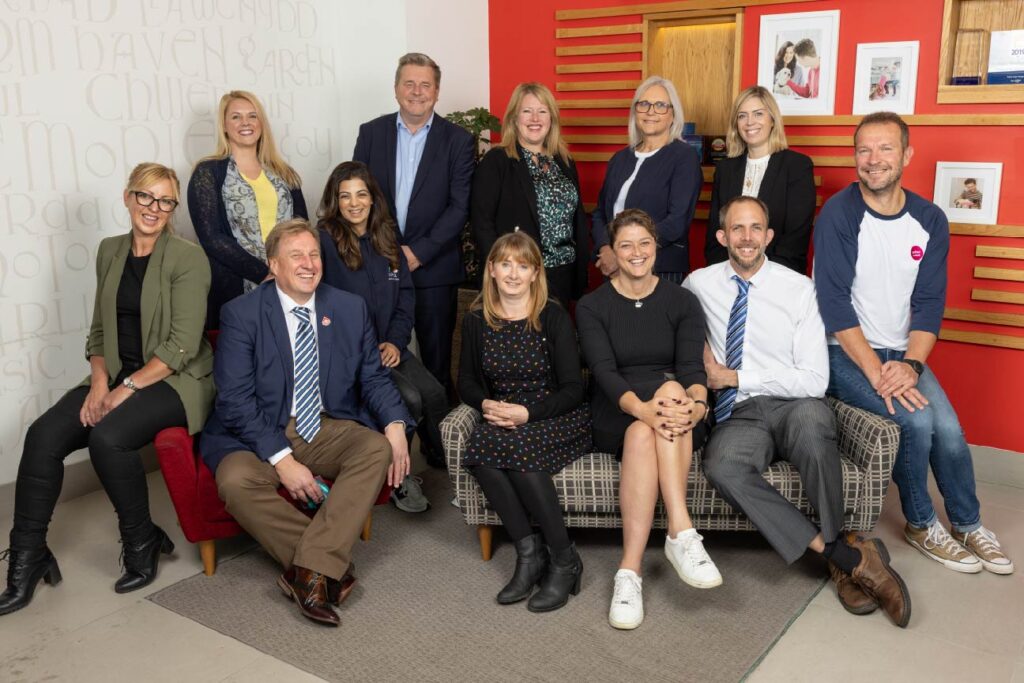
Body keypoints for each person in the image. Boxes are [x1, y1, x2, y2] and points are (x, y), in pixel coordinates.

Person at [685, 195, 912, 628]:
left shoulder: (800, 290)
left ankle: (841, 557)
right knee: (722, 465)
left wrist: (735, 376)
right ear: (721, 237)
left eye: (756, 228)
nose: (747, 238)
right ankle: (844, 556)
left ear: (769, 236)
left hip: (795, 405)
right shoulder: (698, 284)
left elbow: (812, 380)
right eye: (737, 229)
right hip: (742, 416)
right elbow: (676, 329)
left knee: (811, 428)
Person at [0, 163, 215, 615]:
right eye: (145, 196)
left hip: (174, 379)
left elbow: (181, 345)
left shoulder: (187, 258)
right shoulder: (109, 251)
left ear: (172, 208)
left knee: (108, 437)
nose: (153, 208)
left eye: (164, 201)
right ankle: (28, 558)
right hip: (115, 373)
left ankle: (142, 541)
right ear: (127, 197)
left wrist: (125, 391)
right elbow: (99, 330)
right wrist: (100, 381)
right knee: (41, 437)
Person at [814, 111, 1013, 577]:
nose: (873, 159)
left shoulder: (929, 219)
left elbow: (927, 306)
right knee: (917, 421)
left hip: (902, 353)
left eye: (885, 148)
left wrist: (910, 366)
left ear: (906, 155)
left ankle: (967, 523)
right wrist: (877, 372)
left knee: (949, 430)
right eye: (863, 149)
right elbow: (834, 305)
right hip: (845, 349)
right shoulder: (840, 215)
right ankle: (922, 523)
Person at [200, 219, 414, 626]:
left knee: (375, 447)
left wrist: (395, 424)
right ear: (274, 265)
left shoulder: (348, 308)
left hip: (321, 424)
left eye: (313, 254)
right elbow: (235, 401)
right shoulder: (242, 314)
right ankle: (326, 569)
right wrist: (282, 460)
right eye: (296, 255)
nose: (308, 263)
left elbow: (372, 376)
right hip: (254, 431)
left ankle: (307, 571)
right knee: (234, 481)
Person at [576, 208, 719, 631]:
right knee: (646, 420)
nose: (636, 253)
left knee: (670, 395)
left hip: (672, 409)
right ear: (613, 252)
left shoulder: (682, 301)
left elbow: (692, 370)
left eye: (644, 243)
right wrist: (641, 409)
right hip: (617, 405)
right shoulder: (592, 305)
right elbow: (603, 372)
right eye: (626, 245)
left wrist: (697, 404)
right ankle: (681, 533)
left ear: (657, 247)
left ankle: (629, 572)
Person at [458, 232, 591, 612]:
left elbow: (572, 388)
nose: (513, 273)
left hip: (555, 414)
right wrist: (485, 403)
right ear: (492, 270)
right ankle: (529, 554)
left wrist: (528, 414)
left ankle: (565, 559)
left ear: (535, 272)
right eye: (505, 264)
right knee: (480, 448)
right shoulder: (476, 319)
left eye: (523, 265)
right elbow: (465, 381)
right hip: (504, 414)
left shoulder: (552, 315)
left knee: (517, 447)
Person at [316, 160, 446, 513]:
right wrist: (368, 346)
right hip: (353, 353)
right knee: (409, 400)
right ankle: (397, 478)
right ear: (336, 200)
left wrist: (394, 340)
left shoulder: (388, 235)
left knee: (434, 394)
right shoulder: (325, 240)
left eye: (361, 194)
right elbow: (321, 304)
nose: (354, 203)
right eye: (345, 196)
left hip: (390, 345)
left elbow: (405, 295)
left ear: (373, 198)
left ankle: (442, 466)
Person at [353, 53, 476, 396]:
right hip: (379, 266)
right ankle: (390, 441)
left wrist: (417, 252)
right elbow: (358, 196)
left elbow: (459, 207)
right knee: (377, 357)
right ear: (396, 89)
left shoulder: (458, 141)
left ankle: (438, 447)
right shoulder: (371, 133)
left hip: (434, 270)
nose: (417, 91)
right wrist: (388, 251)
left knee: (436, 364)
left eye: (425, 85)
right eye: (409, 83)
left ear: (437, 92)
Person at [188, 90, 308, 330]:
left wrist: (288, 273)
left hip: (289, 285)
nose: (245, 123)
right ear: (223, 125)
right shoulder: (208, 172)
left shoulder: (284, 173)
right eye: (236, 117)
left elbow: (302, 227)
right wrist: (265, 274)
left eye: (252, 116)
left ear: (261, 123)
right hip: (235, 289)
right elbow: (211, 238)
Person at [471, 82, 590, 307]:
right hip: (517, 277)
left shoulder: (564, 160)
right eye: (527, 111)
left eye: (542, 111)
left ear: (551, 119)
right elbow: (482, 224)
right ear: (514, 119)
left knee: (555, 340)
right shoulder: (497, 161)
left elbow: (577, 218)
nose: (535, 118)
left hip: (563, 274)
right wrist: (503, 272)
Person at [591, 76, 702, 284]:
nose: (651, 112)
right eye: (644, 104)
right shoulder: (619, 158)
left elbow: (677, 221)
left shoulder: (684, 157)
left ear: (672, 115)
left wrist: (626, 253)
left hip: (660, 269)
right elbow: (600, 214)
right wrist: (605, 248)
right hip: (614, 269)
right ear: (635, 112)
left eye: (660, 105)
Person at [705, 86, 816, 274]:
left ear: (772, 119)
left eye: (758, 114)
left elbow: (795, 240)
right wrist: (729, 275)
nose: (750, 122)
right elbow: (715, 235)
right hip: (728, 275)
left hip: (779, 276)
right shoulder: (725, 169)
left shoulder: (797, 166)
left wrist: (756, 276)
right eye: (742, 116)